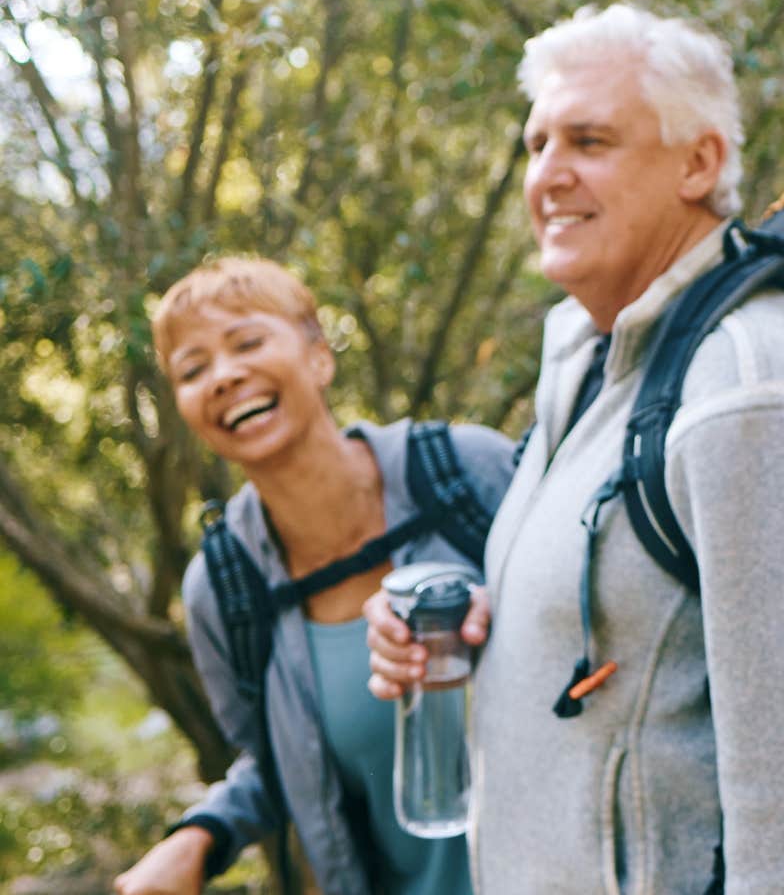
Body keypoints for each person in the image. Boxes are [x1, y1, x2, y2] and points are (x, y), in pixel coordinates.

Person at [366, 4, 784, 893]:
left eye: (589, 140)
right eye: (536, 143)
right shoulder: (597, 362)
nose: (548, 175)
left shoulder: (750, 389)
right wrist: (484, 619)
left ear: (699, 163)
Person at [113, 257, 516, 895]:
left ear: (319, 356)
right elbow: (277, 763)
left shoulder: (466, 472)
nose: (224, 375)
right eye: (193, 370)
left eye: (247, 343)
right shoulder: (224, 588)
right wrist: (203, 834)